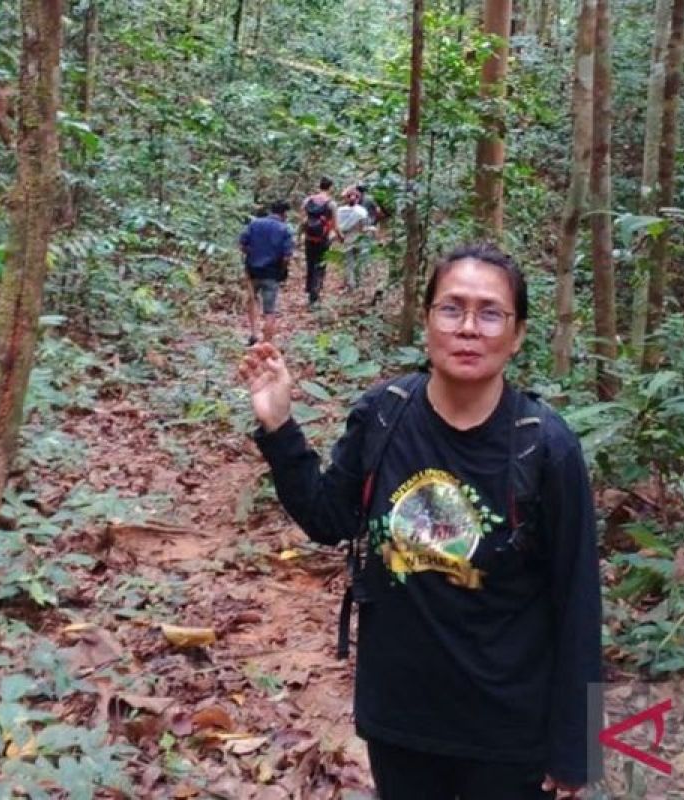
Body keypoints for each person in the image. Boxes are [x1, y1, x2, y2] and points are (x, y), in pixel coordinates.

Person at [238, 243, 603, 799]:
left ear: (518, 334)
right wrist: (280, 426)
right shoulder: (384, 413)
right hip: (400, 718)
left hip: (508, 729)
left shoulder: (546, 447)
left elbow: (577, 599)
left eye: (490, 313)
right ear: (428, 319)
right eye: (451, 308)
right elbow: (327, 518)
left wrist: (577, 748)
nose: (469, 328)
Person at [238, 199, 294, 345]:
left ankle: (253, 333)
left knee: (252, 300)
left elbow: (242, 244)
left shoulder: (255, 224)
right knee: (270, 309)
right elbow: (287, 256)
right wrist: (282, 269)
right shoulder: (285, 229)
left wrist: (253, 254)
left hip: (253, 270)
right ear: (284, 214)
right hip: (272, 273)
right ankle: (266, 343)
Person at [300, 177, 342, 307]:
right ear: (330, 188)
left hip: (309, 238)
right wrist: (340, 237)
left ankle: (309, 290)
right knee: (320, 265)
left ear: (319, 186)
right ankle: (315, 294)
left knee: (310, 264)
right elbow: (335, 225)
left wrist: (299, 236)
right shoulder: (331, 204)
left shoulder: (308, 200)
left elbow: (302, 221)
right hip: (323, 239)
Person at [336, 189, 371, 291]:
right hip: (359, 239)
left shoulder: (340, 211)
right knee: (359, 262)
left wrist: (340, 237)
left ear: (347, 199)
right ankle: (358, 283)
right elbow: (364, 227)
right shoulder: (362, 211)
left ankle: (351, 284)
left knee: (349, 262)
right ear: (358, 199)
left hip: (347, 239)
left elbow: (338, 227)